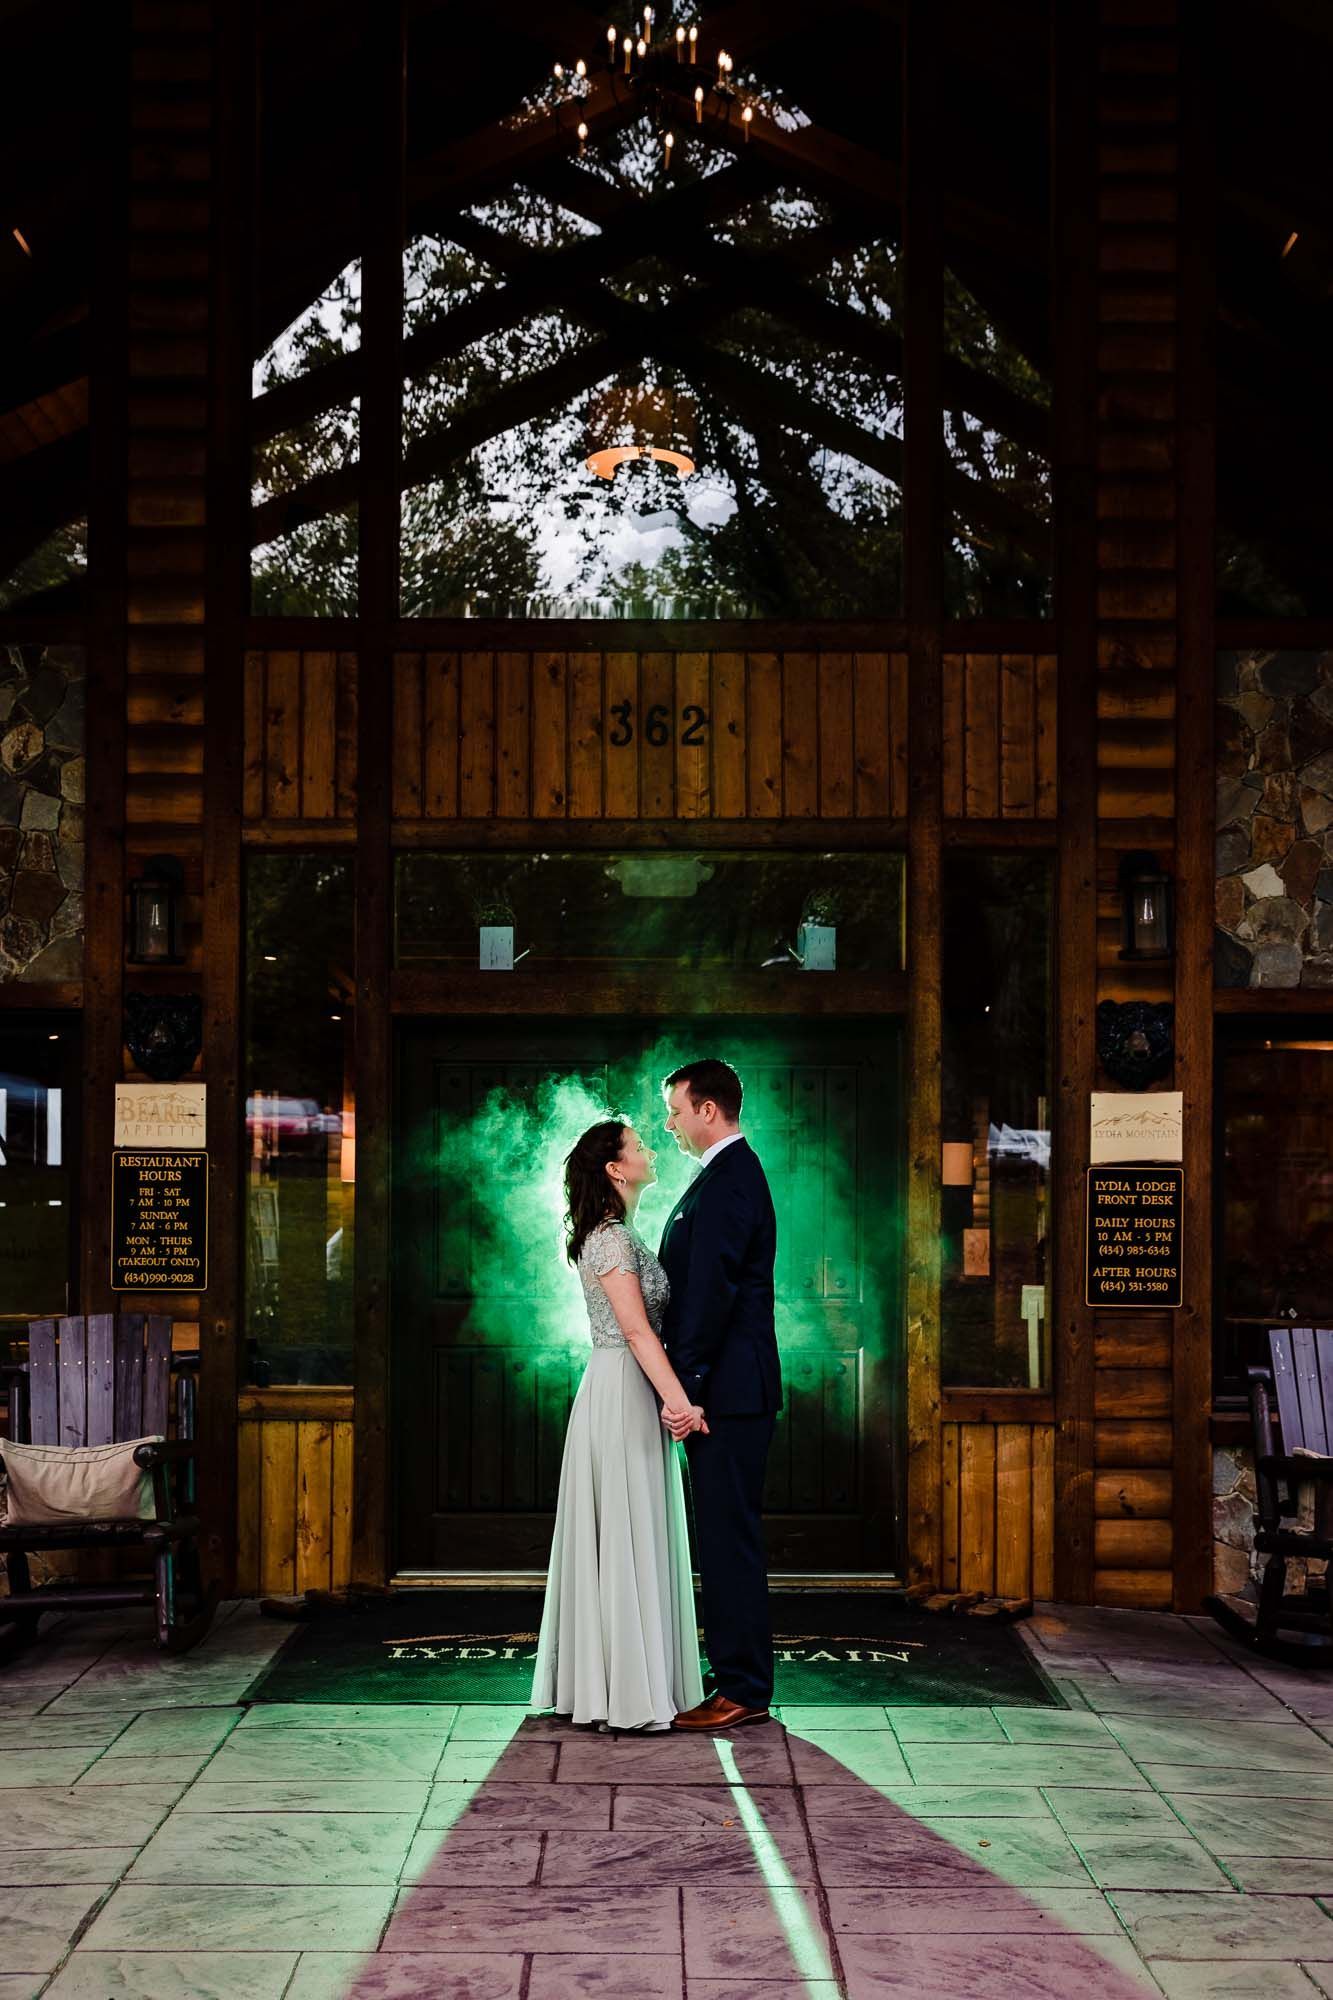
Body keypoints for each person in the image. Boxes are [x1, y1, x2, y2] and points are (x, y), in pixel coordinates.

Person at [530, 1118, 705, 1732]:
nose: (652, 1150)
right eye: (639, 1146)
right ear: (614, 1168)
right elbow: (635, 1330)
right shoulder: (609, 1239)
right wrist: (680, 1401)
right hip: (621, 1387)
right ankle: (622, 1691)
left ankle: (631, 1680)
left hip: (628, 1385)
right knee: (624, 1527)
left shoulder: (621, 1233)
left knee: (634, 1527)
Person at [658, 1058, 782, 1731]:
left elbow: (710, 1296)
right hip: (730, 1389)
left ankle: (743, 1689)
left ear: (708, 1110)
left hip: (727, 1394)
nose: (669, 1125)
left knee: (729, 1542)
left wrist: (688, 1389)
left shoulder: (730, 1180)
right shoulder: (725, 1176)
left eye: (675, 1111)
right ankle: (737, 1674)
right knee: (727, 1537)